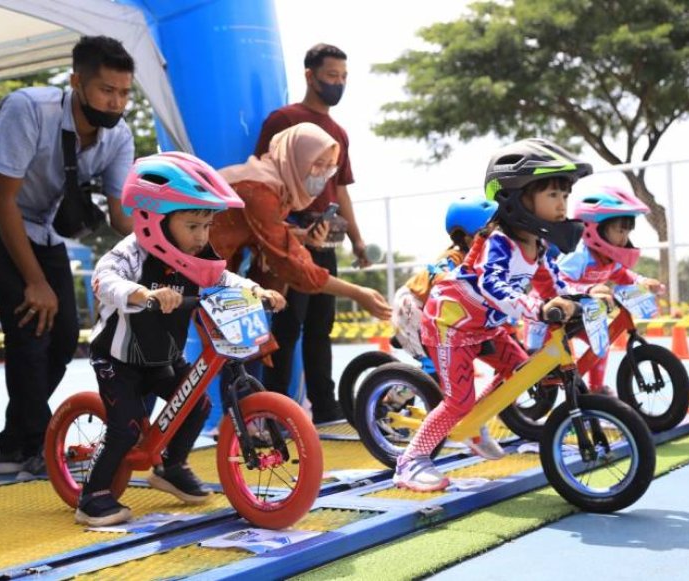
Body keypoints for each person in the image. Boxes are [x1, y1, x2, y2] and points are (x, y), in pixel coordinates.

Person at [0, 36, 136, 479]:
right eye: (106, 91)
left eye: (125, 93)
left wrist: (174, 238)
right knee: (31, 319)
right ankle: (36, 445)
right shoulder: (28, 109)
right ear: (77, 83)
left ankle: (12, 443)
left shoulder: (119, 136)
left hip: (39, 222)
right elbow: (2, 200)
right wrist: (35, 282)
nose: (116, 102)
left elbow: (121, 215)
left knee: (66, 329)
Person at [77, 152, 286, 527]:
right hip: (118, 360)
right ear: (155, 219)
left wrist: (257, 290)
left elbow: (223, 279)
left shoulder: (195, 256)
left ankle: (171, 466)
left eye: (207, 226)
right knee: (125, 425)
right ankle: (91, 496)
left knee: (198, 405)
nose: (202, 237)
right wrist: (142, 294)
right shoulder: (132, 253)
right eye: (193, 226)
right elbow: (104, 279)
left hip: (162, 358)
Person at [393, 138, 611, 492]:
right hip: (451, 323)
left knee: (520, 372)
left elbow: (552, 283)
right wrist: (536, 309)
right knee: (456, 400)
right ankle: (411, 461)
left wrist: (584, 296)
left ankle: (474, 422)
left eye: (564, 196)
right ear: (521, 198)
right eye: (553, 195)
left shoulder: (537, 245)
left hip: (486, 327)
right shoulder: (499, 242)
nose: (562, 205)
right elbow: (493, 285)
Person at [210, 122, 390, 423]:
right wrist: (357, 293)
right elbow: (294, 266)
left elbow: (265, 232)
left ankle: (245, 425)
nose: (321, 174)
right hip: (187, 270)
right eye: (316, 164)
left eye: (329, 168)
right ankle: (242, 426)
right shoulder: (260, 187)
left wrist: (302, 237)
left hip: (221, 275)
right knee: (231, 349)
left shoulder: (274, 184)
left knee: (248, 345)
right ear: (295, 157)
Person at [251, 43, 368, 424]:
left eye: (344, 77)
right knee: (287, 324)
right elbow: (264, 174)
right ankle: (275, 411)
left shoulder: (340, 132)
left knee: (322, 325)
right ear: (310, 75)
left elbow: (343, 188)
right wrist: (286, 231)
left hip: (328, 234)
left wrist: (357, 238)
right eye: (332, 76)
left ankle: (325, 405)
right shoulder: (283, 118)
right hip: (290, 233)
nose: (339, 83)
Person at [557, 187, 666, 396]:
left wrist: (644, 282)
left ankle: (596, 390)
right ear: (594, 228)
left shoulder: (608, 259)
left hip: (580, 316)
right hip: (555, 315)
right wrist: (589, 289)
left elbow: (624, 276)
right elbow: (558, 282)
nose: (624, 237)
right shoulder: (578, 255)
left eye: (627, 232)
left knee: (601, 342)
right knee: (547, 363)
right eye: (619, 230)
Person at [392, 197, 499, 367]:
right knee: (434, 371)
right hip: (411, 306)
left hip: (437, 316)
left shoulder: (487, 260)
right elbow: (440, 277)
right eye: (489, 235)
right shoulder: (452, 257)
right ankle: (391, 393)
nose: (497, 240)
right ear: (466, 238)